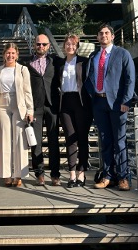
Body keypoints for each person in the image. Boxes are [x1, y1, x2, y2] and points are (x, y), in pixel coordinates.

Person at [85, 23, 135, 191]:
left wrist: (126, 101)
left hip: (117, 104)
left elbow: (130, 79)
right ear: (98, 37)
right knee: (105, 141)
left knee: (119, 141)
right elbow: (88, 78)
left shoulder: (122, 54)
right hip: (99, 103)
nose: (103, 35)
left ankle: (123, 177)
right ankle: (108, 176)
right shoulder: (94, 56)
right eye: (100, 33)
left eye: (106, 33)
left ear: (112, 36)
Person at [21, 34, 62, 186]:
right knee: (35, 142)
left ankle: (55, 174)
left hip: (52, 106)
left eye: (44, 44)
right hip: (35, 107)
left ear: (48, 46)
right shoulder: (25, 62)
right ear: (34, 45)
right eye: (38, 44)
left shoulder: (55, 61)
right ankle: (39, 174)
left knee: (54, 141)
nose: (41, 47)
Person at [0, 43, 34, 187]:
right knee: (4, 139)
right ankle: (6, 174)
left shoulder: (23, 69)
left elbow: (27, 90)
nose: (10, 55)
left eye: (13, 53)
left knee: (19, 140)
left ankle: (19, 174)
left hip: (19, 105)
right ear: (4, 54)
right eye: (8, 53)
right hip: (3, 105)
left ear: (17, 55)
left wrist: (30, 110)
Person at [58, 35, 93, 188]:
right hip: (65, 102)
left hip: (81, 103)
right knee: (69, 138)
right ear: (64, 46)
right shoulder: (59, 63)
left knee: (82, 138)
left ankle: (81, 172)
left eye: (73, 44)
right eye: (67, 44)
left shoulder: (83, 62)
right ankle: (72, 174)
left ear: (77, 46)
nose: (70, 46)